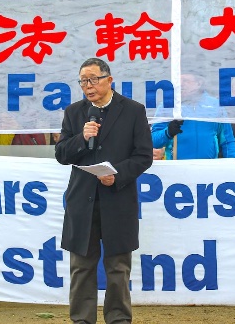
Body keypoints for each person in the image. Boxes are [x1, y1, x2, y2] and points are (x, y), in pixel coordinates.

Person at [55, 58, 153, 324]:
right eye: (83, 81)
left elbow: (144, 156)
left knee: (118, 268)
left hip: (118, 199)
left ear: (109, 80)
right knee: (81, 267)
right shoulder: (74, 113)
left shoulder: (133, 110)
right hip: (82, 201)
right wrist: (82, 137)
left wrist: (117, 175)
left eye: (93, 79)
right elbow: (61, 154)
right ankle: (82, 320)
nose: (88, 86)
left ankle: (119, 318)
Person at [151, 73, 235, 160]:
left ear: (199, 83)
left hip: (208, 168)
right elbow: (153, 141)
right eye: (178, 81)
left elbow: (227, 141)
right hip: (177, 169)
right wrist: (167, 133)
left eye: (185, 81)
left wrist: (232, 165)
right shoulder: (167, 106)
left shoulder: (215, 105)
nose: (180, 84)